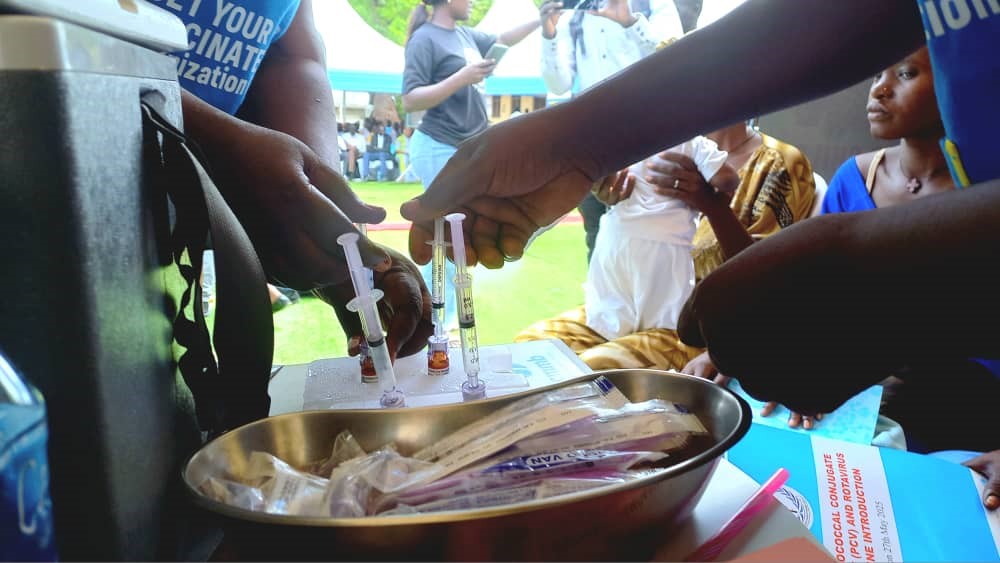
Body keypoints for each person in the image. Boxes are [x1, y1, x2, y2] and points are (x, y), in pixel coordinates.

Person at [168, 0, 432, 362]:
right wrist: (224, 142)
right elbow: (79, 38)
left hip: (170, 243)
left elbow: (294, 54)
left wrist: (321, 215)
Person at [516, 136, 738, 369]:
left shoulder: (762, 159)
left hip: (691, 325)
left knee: (594, 369)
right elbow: (600, 177)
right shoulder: (641, 136)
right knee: (530, 350)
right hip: (618, 292)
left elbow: (768, 282)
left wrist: (712, 205)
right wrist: (609, 193)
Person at [402, 0, 540, 329]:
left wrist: (541, 18)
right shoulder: (425, 39)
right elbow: (411, 98)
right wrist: (462, 78)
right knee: (448, 238)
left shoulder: (465, 34)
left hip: (466, 150)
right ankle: (434, 323)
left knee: (456, 236)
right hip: (439, 146)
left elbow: (504, 37)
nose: (475, 1)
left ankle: (433, 320)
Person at [538, 0, 683, 263]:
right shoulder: (575, 15)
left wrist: (631, 22)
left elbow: (678, 57)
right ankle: (601, 303)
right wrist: (549, 34)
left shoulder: (653, 3)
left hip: (648, 142)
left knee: (653, 239)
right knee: (597, 236)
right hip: (592, 147)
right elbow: (558, 84)